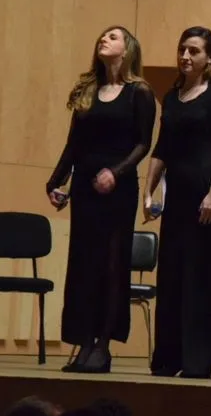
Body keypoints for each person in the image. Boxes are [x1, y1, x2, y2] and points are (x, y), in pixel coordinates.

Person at [46, 25, 156, 374]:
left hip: (117, 189)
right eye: (102, 36)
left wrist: (116, 172)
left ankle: (103, 345)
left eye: (113, 37)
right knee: (83, 265)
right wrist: (56, 181)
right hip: (84, 187)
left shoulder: (139, 92)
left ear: (128, 49)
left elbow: (143, 143)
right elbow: (73, 144)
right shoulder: (89, 90)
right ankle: (84, 341)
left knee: (111, 265)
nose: (104, 40)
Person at [144, 26, 211, 378]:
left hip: (208, 199)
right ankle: (168, 359)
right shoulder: (172, 97)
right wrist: (148, 191)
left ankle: (197, 361)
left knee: (202, 278)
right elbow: (162, 148)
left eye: (194, 51)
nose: (185, 56)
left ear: (209, 58)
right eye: (182, 49)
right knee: (172, 276)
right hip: (179, 199)